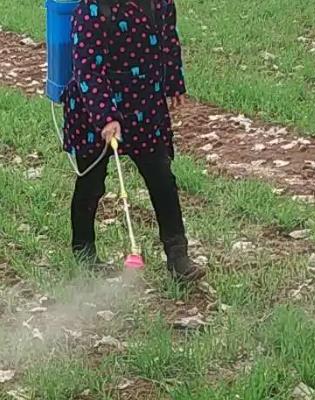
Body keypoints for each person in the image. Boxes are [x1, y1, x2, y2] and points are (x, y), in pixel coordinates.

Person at [61, 0, 204, 282]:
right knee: (91, 184)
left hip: (145, 105)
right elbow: (87, 70)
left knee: (162, 178)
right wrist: (106, 117)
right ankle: (84, 253)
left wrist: (174, 81)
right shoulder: (90, 10)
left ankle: (178, 256)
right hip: (94, 109)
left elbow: (168, 42)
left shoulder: (160, 3)